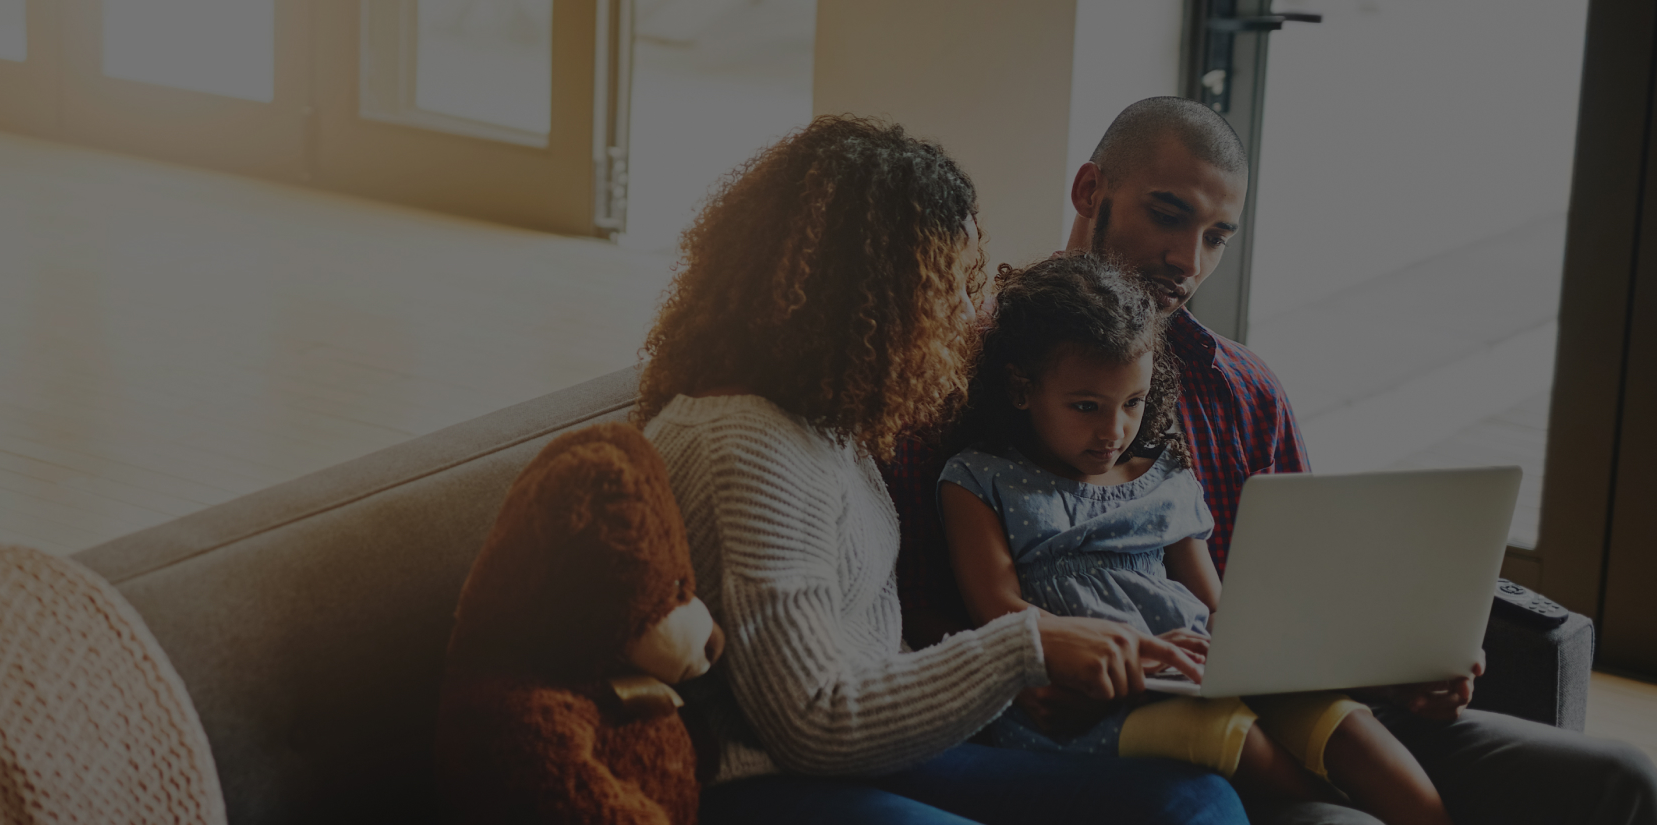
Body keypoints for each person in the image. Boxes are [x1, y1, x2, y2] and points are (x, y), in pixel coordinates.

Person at [889, 96, 1657, 825]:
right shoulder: (956, 380)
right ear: (1092, 189)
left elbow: (1294, 605)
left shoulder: (1245, 390)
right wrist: (1029, 670)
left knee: (1622, 778)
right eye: (1168, 214)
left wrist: (1398, 664)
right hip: (1130, 729)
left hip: (1305, 705)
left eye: (1218, 236)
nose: (1187, 259)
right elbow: (911, 610)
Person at [636, 114, 1246, 824]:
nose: (969, 312)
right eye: (950, 286)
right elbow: (809, 720)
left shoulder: (824, 420)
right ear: (867, 298)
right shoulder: (744, 447)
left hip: (881, 751)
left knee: (1193, 800)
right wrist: (1027, 644)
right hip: (770, 781)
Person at [942, 253, 1452, 825]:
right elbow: (1000, 613)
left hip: (1194, 675)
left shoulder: (1165, 477)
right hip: (1086, 703)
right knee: (1225, 734)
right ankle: (1342, 813)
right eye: (1085, 407)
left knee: (1347, 727)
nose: (1113, 431)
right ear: (1020, 388)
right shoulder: (979, 478)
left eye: (1131, 404)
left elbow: (1214, 609)